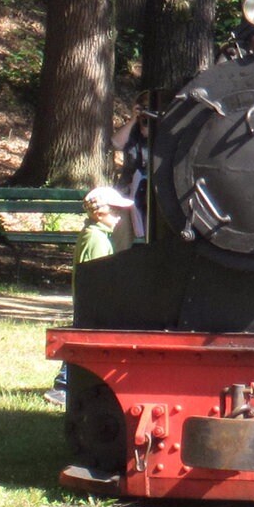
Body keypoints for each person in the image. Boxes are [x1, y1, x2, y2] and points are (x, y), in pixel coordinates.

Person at [48, 187, 131, 406]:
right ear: (99, 213)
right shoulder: (96, 239)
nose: (119, 216)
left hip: (91, 306)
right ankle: (62, 387)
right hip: (93, 308)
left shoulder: (98, 235)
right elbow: (97, 278)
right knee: (82, 346)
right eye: (115, 211)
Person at [111, 94, 153, 243]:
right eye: (144, 107)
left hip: (154, 196)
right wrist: (135, 119)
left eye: (150, 107)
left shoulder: (165, 130)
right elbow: (116, 143)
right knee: (122, 238)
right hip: (128, 193)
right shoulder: (132, 131)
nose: (147, 112)